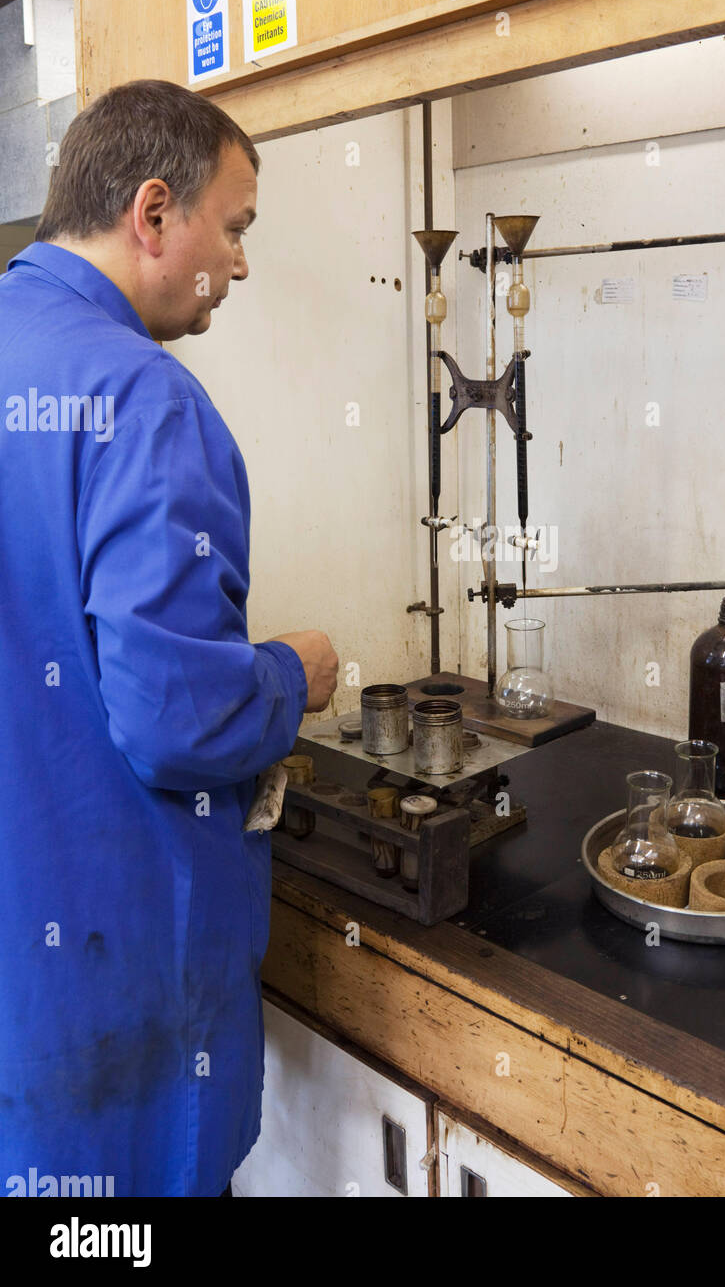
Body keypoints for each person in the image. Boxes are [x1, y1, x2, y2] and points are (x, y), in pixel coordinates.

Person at [0, 79, 339, 1197]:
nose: (239, 263)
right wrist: (293, 672)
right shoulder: (143, 399)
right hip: (113, 985)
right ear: (154, 214)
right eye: (233, 227)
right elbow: (174, 720)